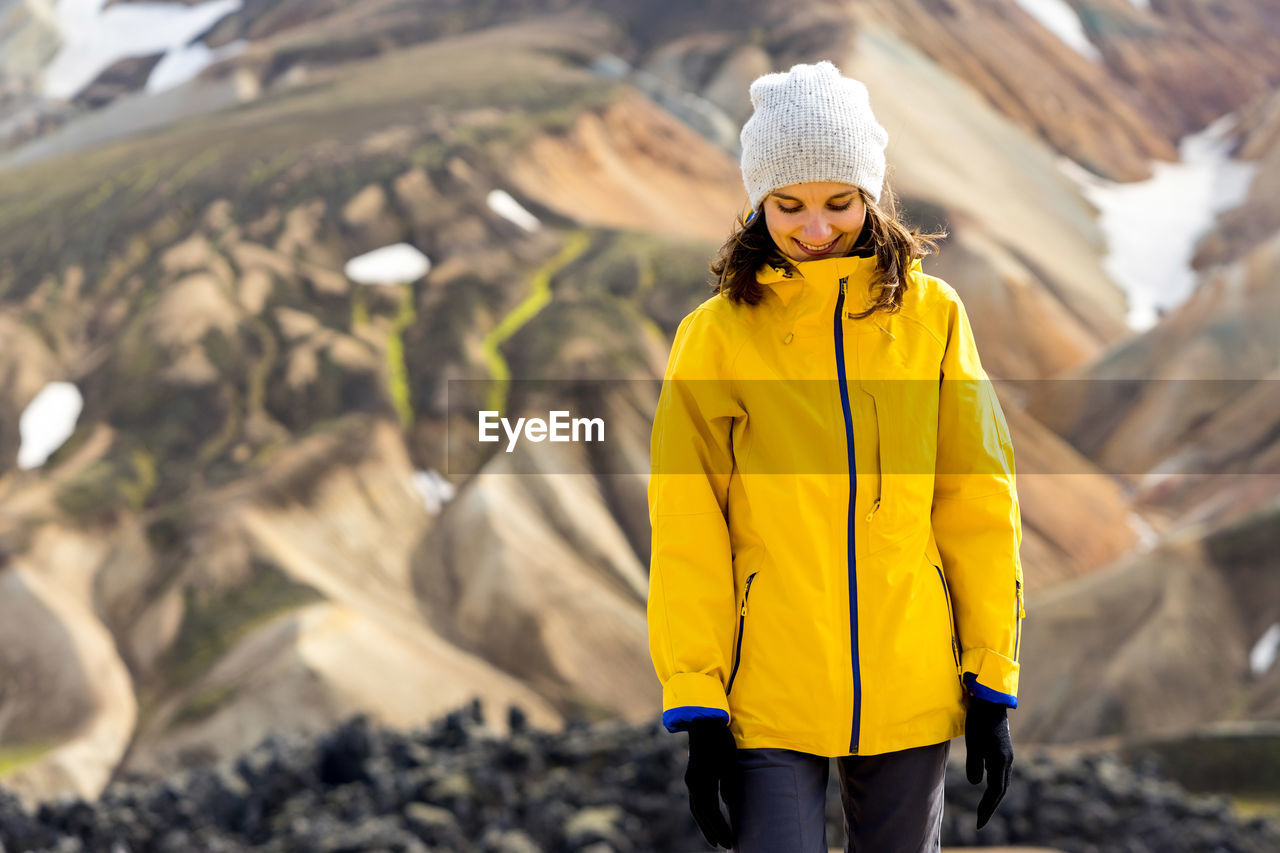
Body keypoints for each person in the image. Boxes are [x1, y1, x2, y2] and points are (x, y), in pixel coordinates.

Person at [646, 60, 1024, 852]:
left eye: (838, 203)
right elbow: (687, 528)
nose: (816, 230)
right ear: (756, 203)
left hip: (910, 683)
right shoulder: (714, 339)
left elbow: (977, 499)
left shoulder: (936, 318)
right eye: (788, 205)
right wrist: (697, 697)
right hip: (765, 692)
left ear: (872, 196)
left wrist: (991, 676)